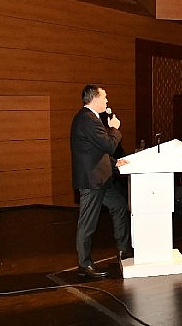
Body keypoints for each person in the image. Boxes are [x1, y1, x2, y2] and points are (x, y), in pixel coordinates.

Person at [70, 85, 130, 279]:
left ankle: (123, 250)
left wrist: (114, 163)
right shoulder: (87, 119)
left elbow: (96, 152)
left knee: (120, 205)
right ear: (94, 98)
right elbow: (109, 145)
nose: (107, 101)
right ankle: (84, 265)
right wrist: (114, 128)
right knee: (87, 224)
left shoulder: (91, 119)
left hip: (101, 179)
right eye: (104, 97)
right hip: (92, 182)